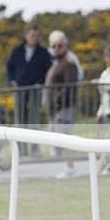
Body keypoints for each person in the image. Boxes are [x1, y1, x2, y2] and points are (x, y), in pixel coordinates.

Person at [6, 25, 53, 156]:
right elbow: (9, 68)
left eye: (37, 36)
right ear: (26, 36)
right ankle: (20, 150)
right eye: (32, 35)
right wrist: (12, 81)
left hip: (35, 89)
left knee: (34, 119)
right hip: (20, 89)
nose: (34, 38)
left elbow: (49, 69)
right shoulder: (17, 51)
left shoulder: (43, 52)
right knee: (19, 120)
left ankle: (34, 149)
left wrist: (43, 83)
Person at [46, 30, 80, 179]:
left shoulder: (69, 63)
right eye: (53, 46)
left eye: (59, 45)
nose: (56, 48)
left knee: (65, 137)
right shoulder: (57, 63)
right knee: (60, 137)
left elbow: (69, 86)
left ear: (65, 45)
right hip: (57, 107)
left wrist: (59, 101)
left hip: (65, 107)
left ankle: (70, 167)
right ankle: (67, 166)